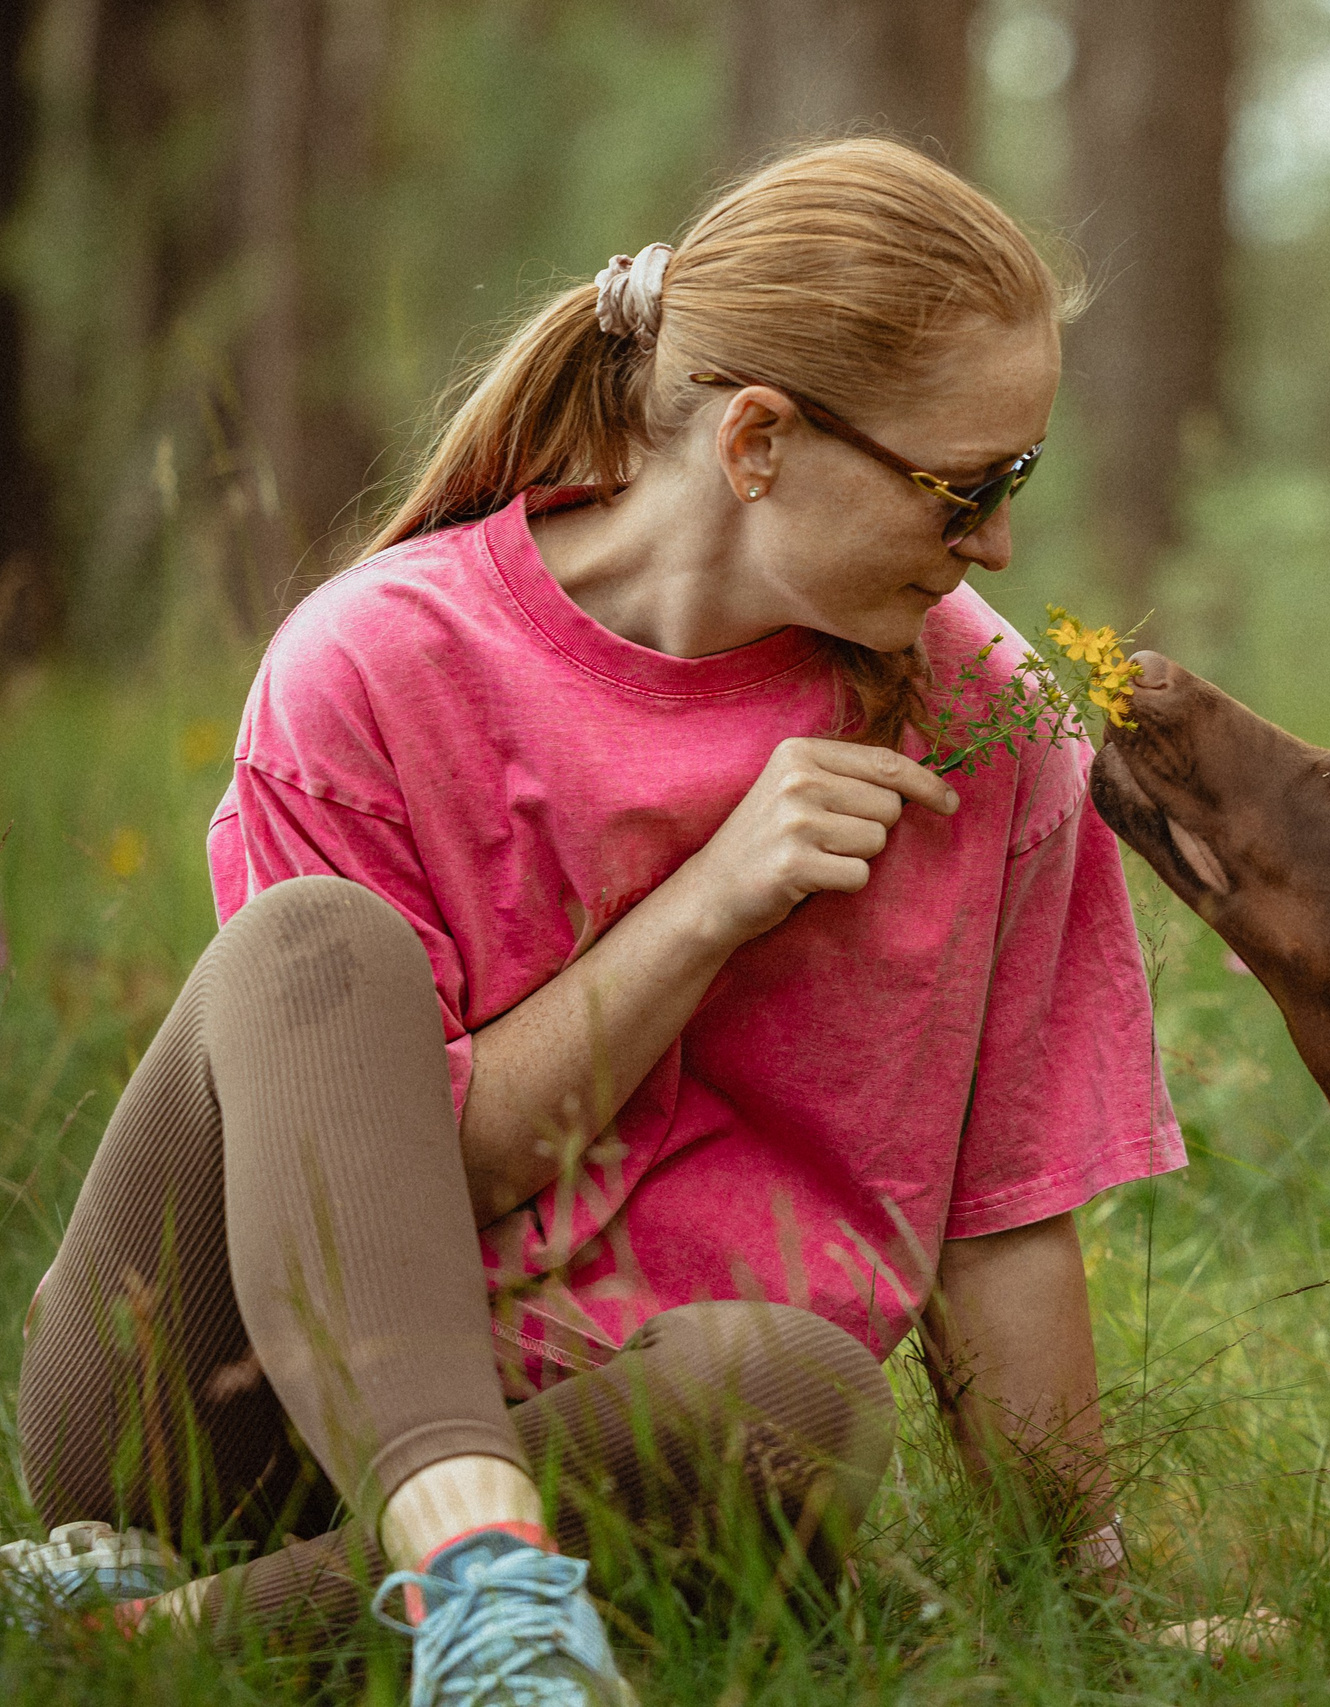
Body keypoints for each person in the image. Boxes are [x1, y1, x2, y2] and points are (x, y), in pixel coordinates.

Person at [7, 138, 1182, 1703]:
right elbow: (417, 1174)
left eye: (1018, 479)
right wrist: (708, 905)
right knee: (313, 945)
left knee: (792, 1392)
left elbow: (1006, 1216)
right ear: (758, 439)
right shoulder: (373, 661)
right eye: (965, 489)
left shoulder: (994, 729)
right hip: (224, 1406)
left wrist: (1088, 1620)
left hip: (639, 1442)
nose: (999, 545)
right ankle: (470, 1580)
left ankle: (158, 1642)